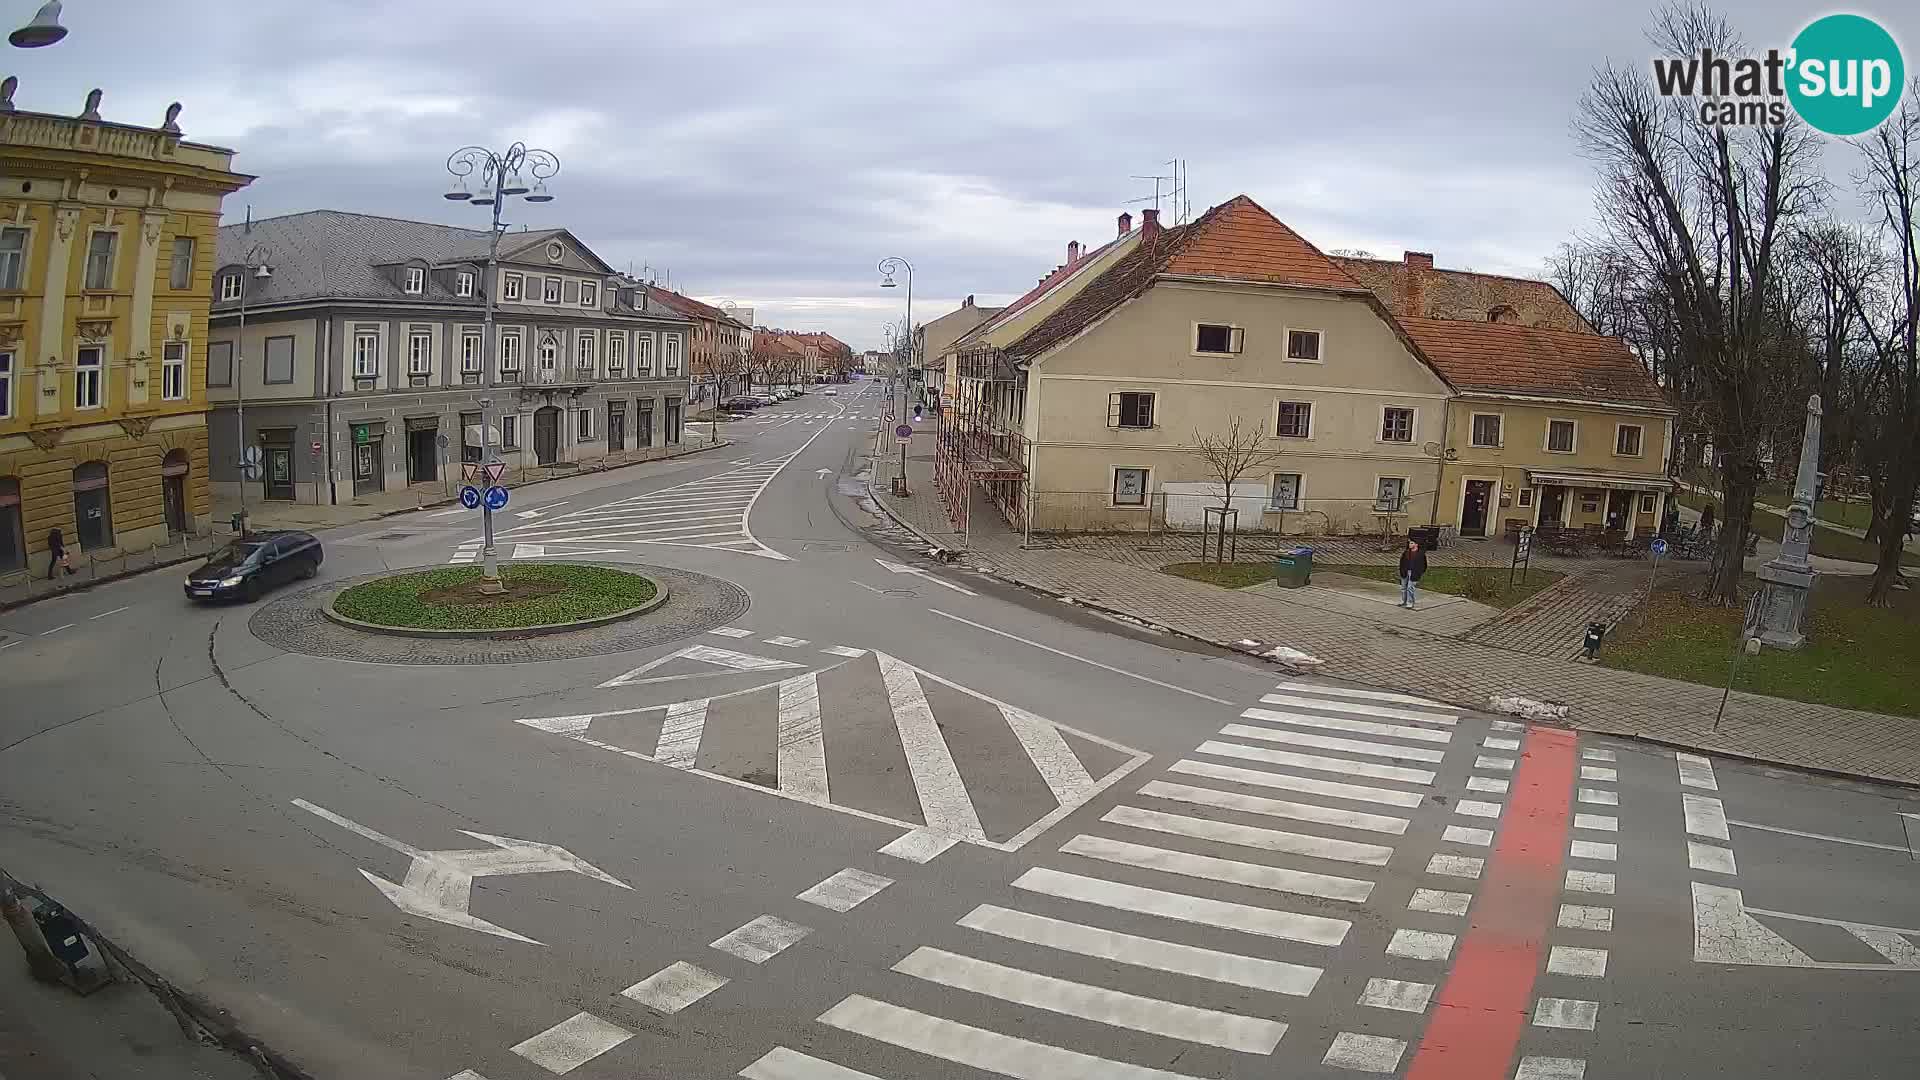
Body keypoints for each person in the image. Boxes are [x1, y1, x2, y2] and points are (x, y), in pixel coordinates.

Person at [1398, 538, 1427, 610]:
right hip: (1405, 571)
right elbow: (1402, 562)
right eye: (1409, 543)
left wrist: (1419, 572)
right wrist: (1401, 570)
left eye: (1411, 543)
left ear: (1416, 544)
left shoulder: (1420, 554)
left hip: (1414, 573)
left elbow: (1424, 565)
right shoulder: (1406, 553)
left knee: (1410, 588)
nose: (1409, 545)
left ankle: (1410, 602)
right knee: (1403, 587)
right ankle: (1403, 601)